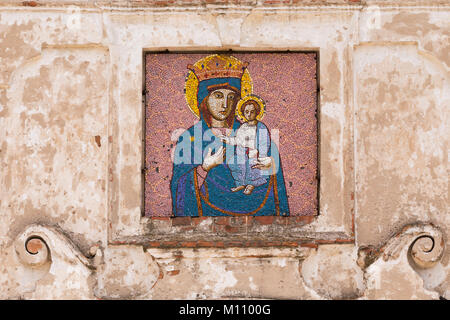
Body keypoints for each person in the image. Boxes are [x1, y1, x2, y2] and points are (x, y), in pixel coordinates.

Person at [170, 54, 289, 217]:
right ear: (204, 99)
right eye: (218, 96)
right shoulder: (190, 138)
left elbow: (274, 176)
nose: (225, 104)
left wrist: (271, 166)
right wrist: (204, 168)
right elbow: (179, 186)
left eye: (231, 97)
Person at [219, 95, 270, 195]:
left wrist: (259, 152)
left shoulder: (261, 127)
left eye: (252, 112)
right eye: (246, 112)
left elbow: (264, 142)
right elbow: (237, 140)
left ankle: (251, 184)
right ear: (243, 113)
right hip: (241, 154)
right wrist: (227, 140)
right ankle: (241, 184)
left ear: (257, 112)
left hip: (254, 154)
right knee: (234, 163)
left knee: (252, 166)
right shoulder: (243, 126)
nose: (249, 114)